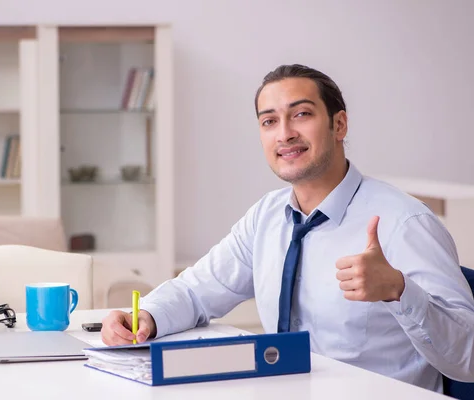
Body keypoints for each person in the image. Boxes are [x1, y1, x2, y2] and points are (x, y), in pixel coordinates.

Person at [100, 64, 474, 392]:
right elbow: (196, 291)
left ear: (339, 124)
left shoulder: (405, 223)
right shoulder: (267, 216)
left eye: (301, 115)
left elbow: (468, 360)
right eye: (269, 121)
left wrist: (398, 290)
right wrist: (146, 316)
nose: (284, 134)